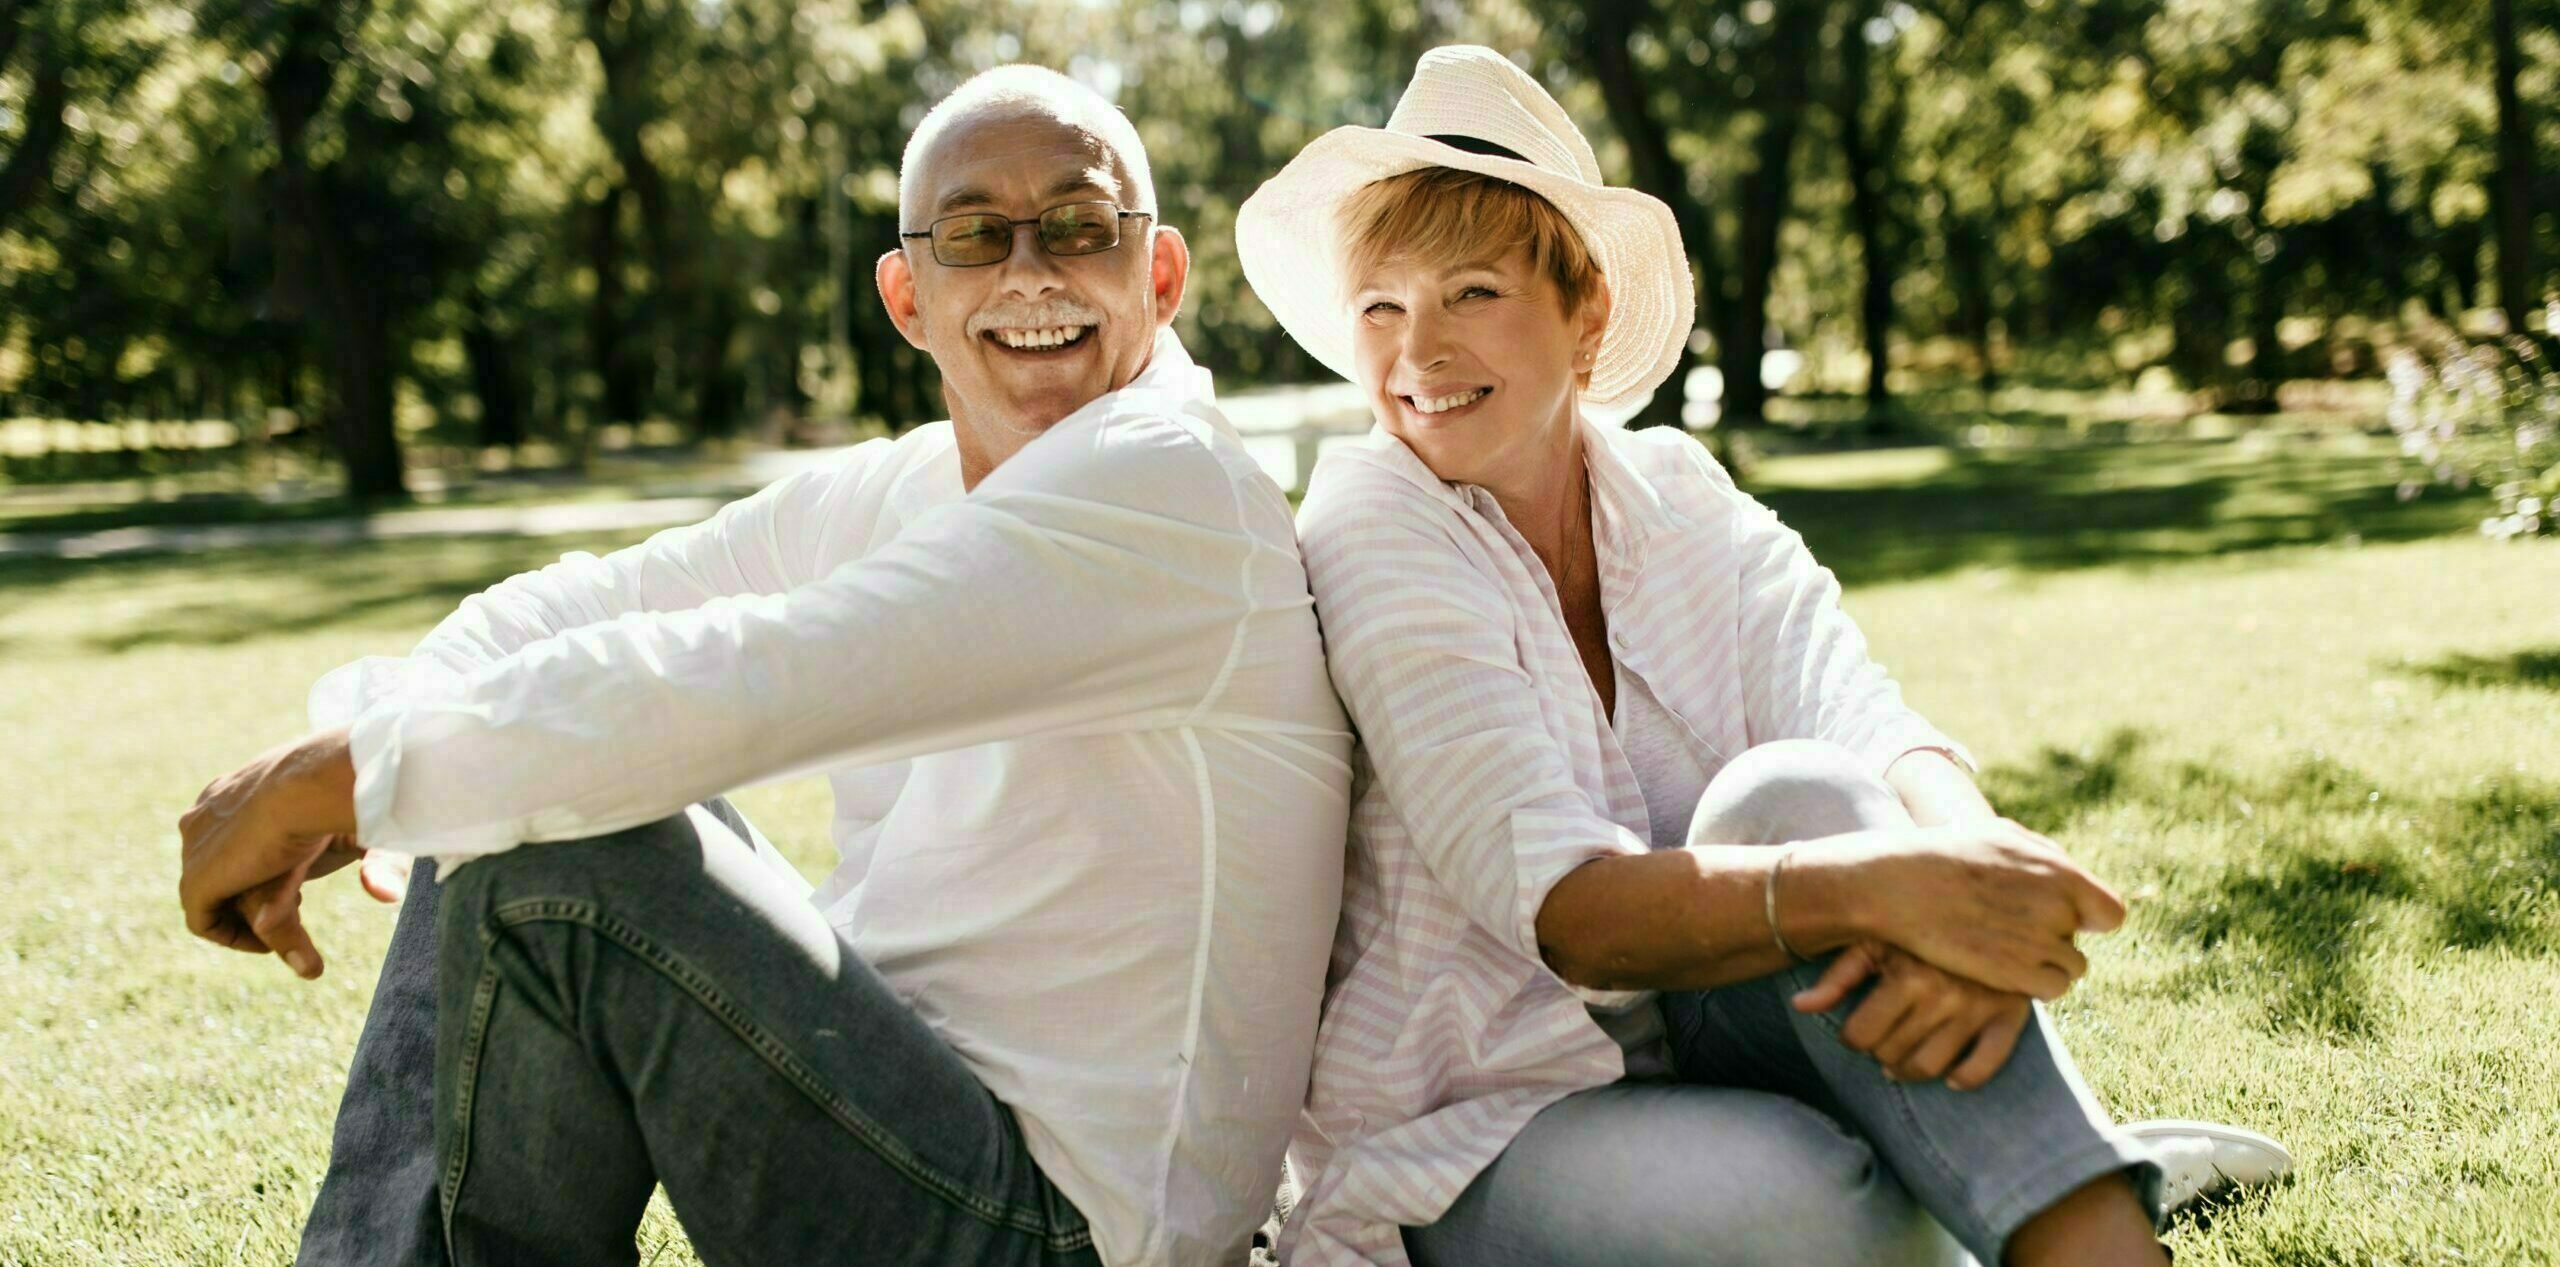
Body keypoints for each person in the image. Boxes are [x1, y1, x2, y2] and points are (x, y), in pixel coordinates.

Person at [177, 64, 1351, 1267]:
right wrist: (366, 737)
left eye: (1077, 225)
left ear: (1156, 275)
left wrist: (354, 778)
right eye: (972, 235)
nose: (1029, 273)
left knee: (565, 833)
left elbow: (758, 676)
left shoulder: (1171, 486)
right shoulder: (903, 485)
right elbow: (575, 611)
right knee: (515, 766)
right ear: (908, 299)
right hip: (910, 1122)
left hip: (1064, 1235)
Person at [1234, 46, 2289, 1267]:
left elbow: (1860, 716)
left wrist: (1968, 871)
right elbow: (1570, 915)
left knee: (1793, 795)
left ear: (1586, 311)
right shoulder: (1373, 521)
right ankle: (2062, 1168)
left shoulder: (1677, 490)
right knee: (1811, 1204)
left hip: (1720, 1033)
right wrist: (1880, 890)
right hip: (1482, 1123)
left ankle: (2091, 1237)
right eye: (1380, 304)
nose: (1416, 351)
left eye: (1472, 292)